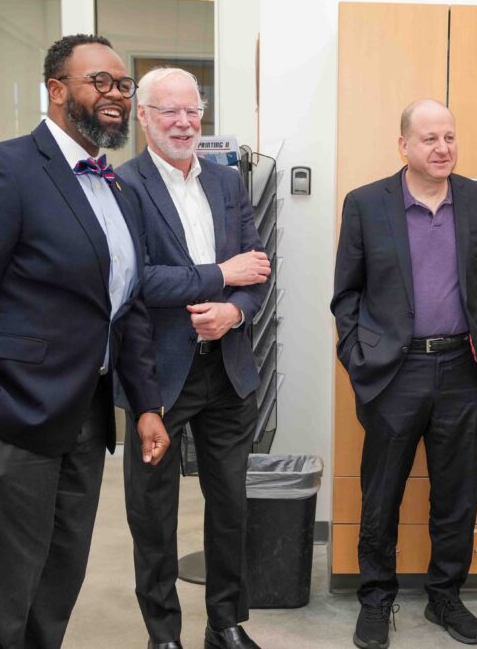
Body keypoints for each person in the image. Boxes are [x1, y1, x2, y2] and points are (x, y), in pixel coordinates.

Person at [0, 33, 169, 648]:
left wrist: (143, 405)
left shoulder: (114, 187)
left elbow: (127, 306)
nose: (115, 94)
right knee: (0, 591)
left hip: (85, 417)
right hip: (12, 415)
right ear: (57, 90)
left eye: (122, 83)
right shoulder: (2, 168)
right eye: (100, 82)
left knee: (59, 578)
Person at [332, 98, 477, 649]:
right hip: (393, 372)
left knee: (456, 494)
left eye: (450, 137)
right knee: (381, 492)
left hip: (463, 369)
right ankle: (376, 598)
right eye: (429, 138)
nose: (442, 148)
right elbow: (347, 295)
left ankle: (445, 596)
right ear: (403, 145)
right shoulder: (366, 204)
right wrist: (359, 356)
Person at [117, 67, 270, 649]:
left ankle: (225, 623)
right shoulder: (123, 185)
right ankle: (163, 635)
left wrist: (235, 310)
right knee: (152, 512)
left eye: (192, 111)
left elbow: (256, 267)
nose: (184, 122)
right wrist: (217, 277)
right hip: (158, 375)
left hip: (226, 368)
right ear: (144, 118)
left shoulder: (227, 184)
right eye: (169, 112)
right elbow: (134, 280)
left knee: (230, 504)